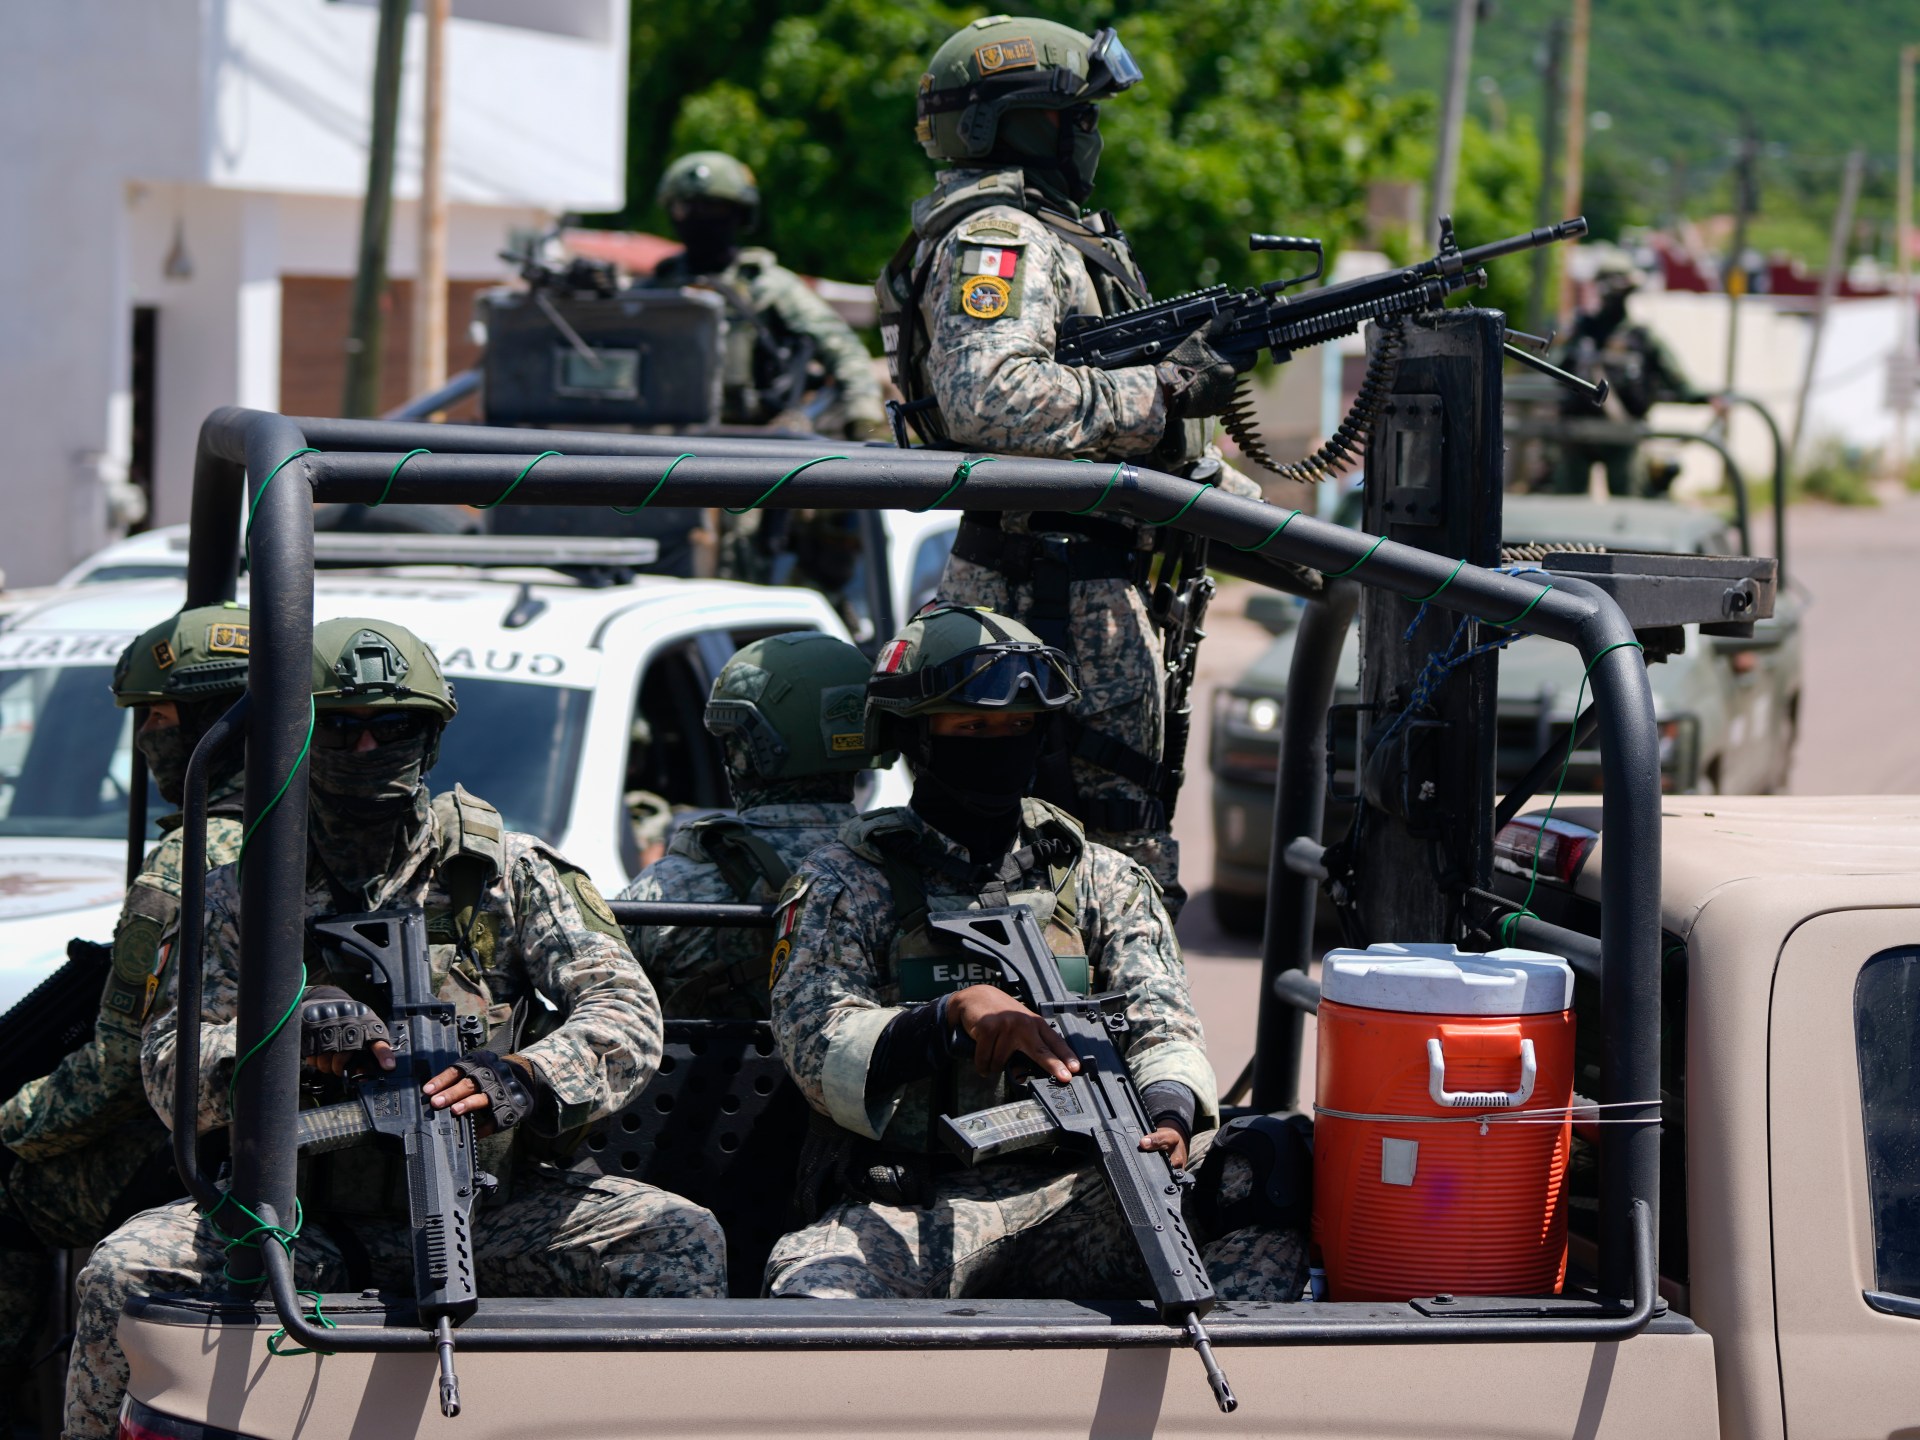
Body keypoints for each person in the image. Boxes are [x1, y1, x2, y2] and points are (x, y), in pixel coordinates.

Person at [63, 617, 726, 1439]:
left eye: (393, 726)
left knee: (675, 1238)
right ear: (299, 735)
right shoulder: (240, 891)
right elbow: (168, 1069)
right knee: (122, 1272)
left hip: (483, 1209)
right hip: (295, 1215)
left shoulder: (506, 874)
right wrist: (282, 1044)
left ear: (432, 735)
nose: (368, 747)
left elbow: (624, 1011)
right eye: (341, 728)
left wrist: (522, 1077)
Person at [763, 606, 1304, 1302]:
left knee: (1264, 1171)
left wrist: (1168, 1114)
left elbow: (1163, 1024)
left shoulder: (1099, 879)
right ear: (916, 736)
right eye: (972, 728)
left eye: (1017, 728)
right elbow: (813, 1040)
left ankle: (1237, 1371)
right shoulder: (849, 881)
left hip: (1090, 1192)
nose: (998, 746)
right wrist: (947, 1017)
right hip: (914, 1206)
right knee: (816, 1293)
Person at [877, 15, 1263, 916]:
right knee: (1075, 874)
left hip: (1083, 586)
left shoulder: (1057, 232)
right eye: (1076, 117)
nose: (1091, 135)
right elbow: (991, 399)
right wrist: (1162, 389)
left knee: (1117, 861)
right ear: (1010, 123)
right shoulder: (999, 236)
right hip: (1047, 595)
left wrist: (1277, 525)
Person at [0, 605, 250, 1422]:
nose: (145, 739)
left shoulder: (190, 860)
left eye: (160, 718)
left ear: (217, 723)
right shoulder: (320, 824)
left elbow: (113, 1073)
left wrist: (12, 1123)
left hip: (206, 1154)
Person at [617, 632, 892, 1019]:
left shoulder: (671, 887)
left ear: (745, 753)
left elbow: (599, 1007)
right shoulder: (904, 870)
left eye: (732, 741)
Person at [651, 149, 888, 441]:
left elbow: (845, 352)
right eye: (685, 208)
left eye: (714, 208)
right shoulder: (657, 290)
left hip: (756, 442)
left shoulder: (769, 286)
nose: (698, 219)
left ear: (741, 214)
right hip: (664, 437)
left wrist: (864, 423)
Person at [1550, 253, 1716, 496]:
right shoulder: (1581, 331)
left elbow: (1678, 381)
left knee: (1628, 508)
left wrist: (1709, 398)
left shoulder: (1641, 337)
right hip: (1578, 433)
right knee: (1566, 507)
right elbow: (1552, 369)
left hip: (1624, 435)